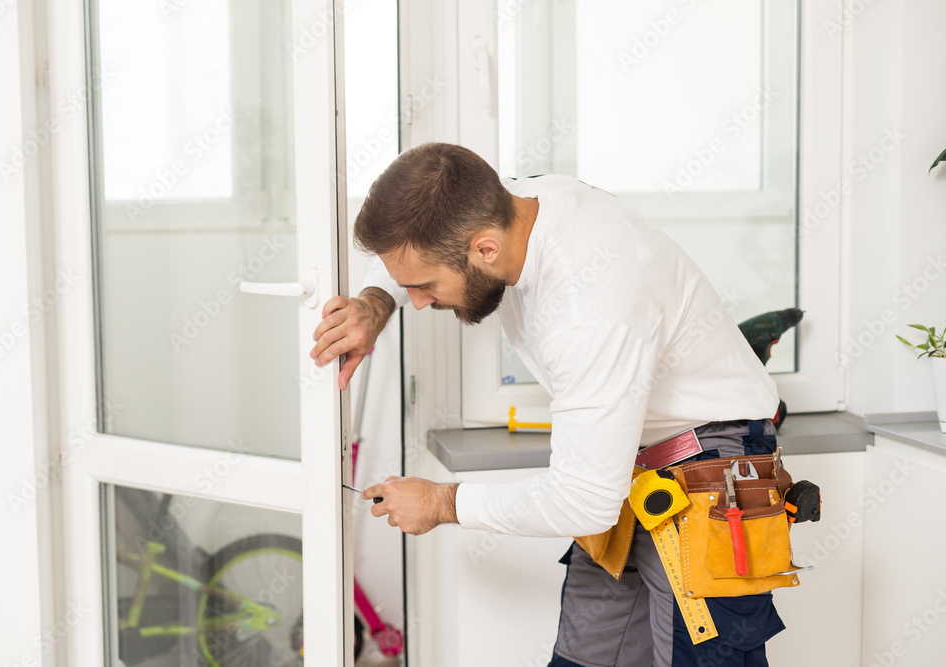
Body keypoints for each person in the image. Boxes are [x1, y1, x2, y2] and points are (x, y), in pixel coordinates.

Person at [310, 142, 786, 666]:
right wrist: (377, 303)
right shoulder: (518, 200)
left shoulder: (591, 309)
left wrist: (442, 503)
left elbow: (582, 500)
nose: (419, 303)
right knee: (583, 658)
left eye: (424, 287)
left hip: (708, 472)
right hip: (626, 462)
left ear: (486, 249)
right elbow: (419, 246)